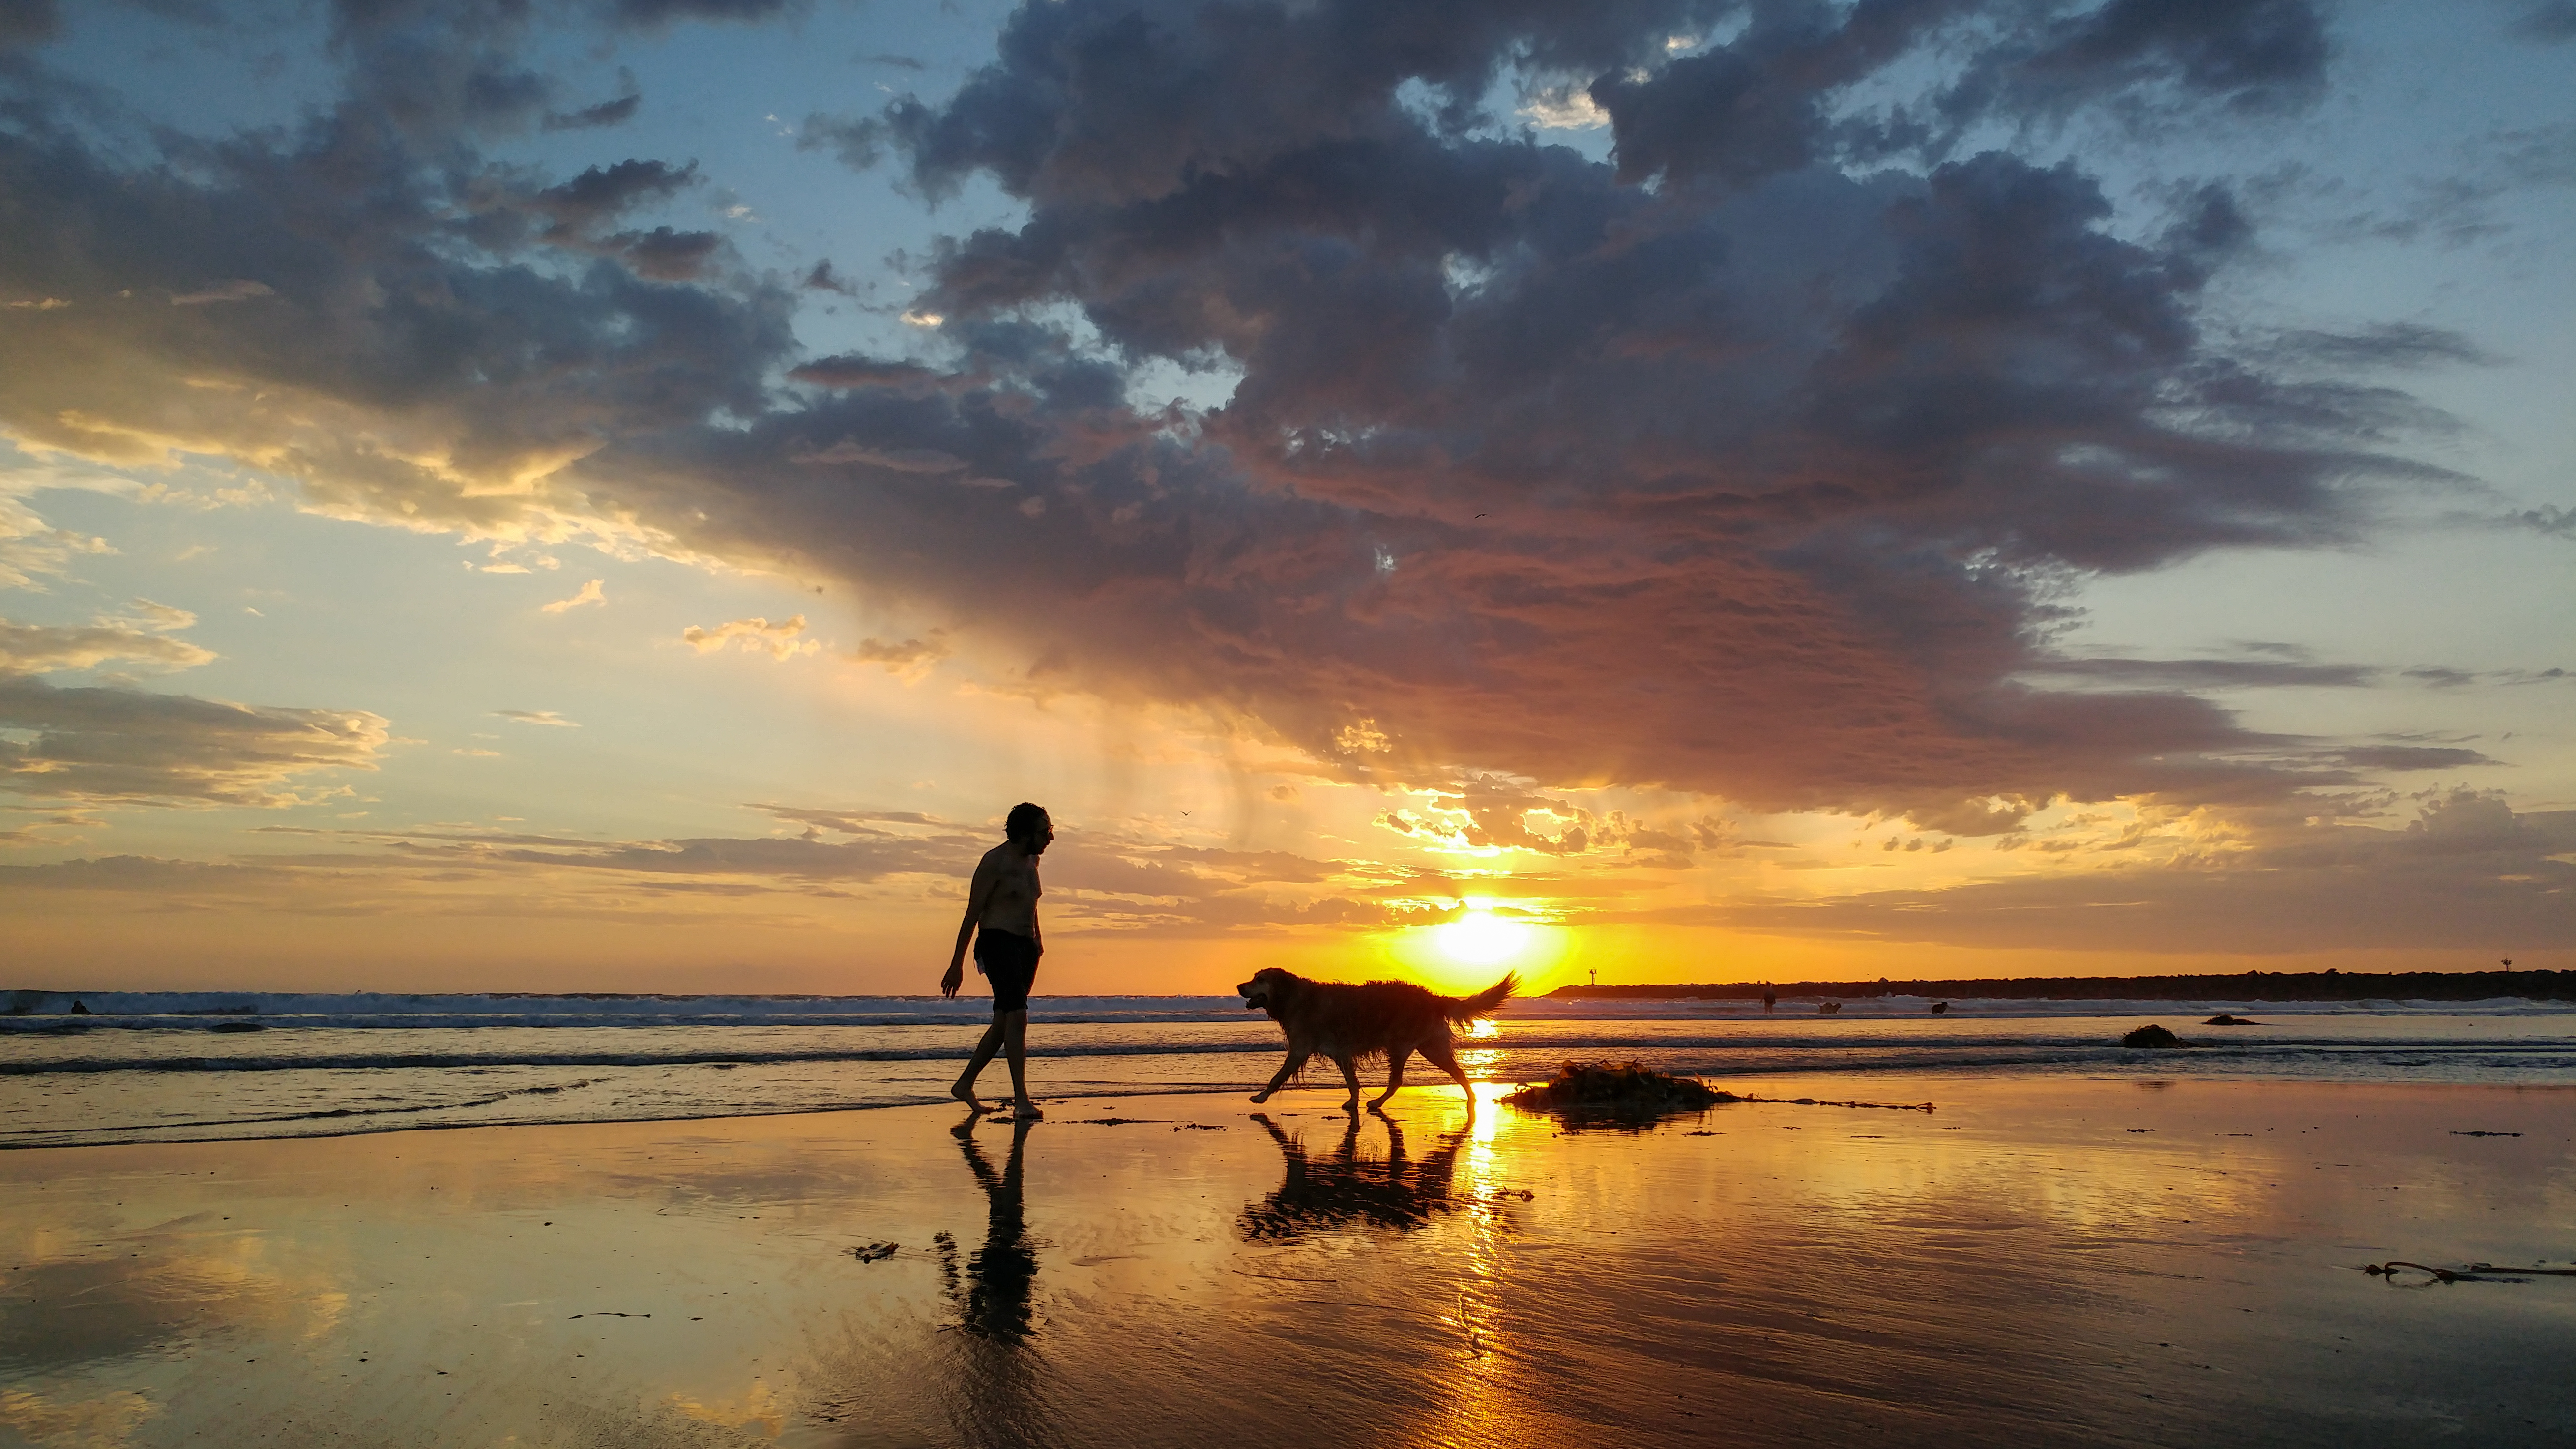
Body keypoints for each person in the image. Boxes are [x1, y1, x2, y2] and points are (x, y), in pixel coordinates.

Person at [943, 802, 1052, 1118]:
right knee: (1018, 1016)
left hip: (1025, 948)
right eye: (1045, 832)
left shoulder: (1033, 861)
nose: (1050, 838)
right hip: (997, 943)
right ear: (1022, 833)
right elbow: (972, 913)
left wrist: (1038, 941)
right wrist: (956, 963)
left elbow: (1032, 904)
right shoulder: (994, 863)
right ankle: (1022, 1100)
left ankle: (964, 1085)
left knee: (1005, 1022)